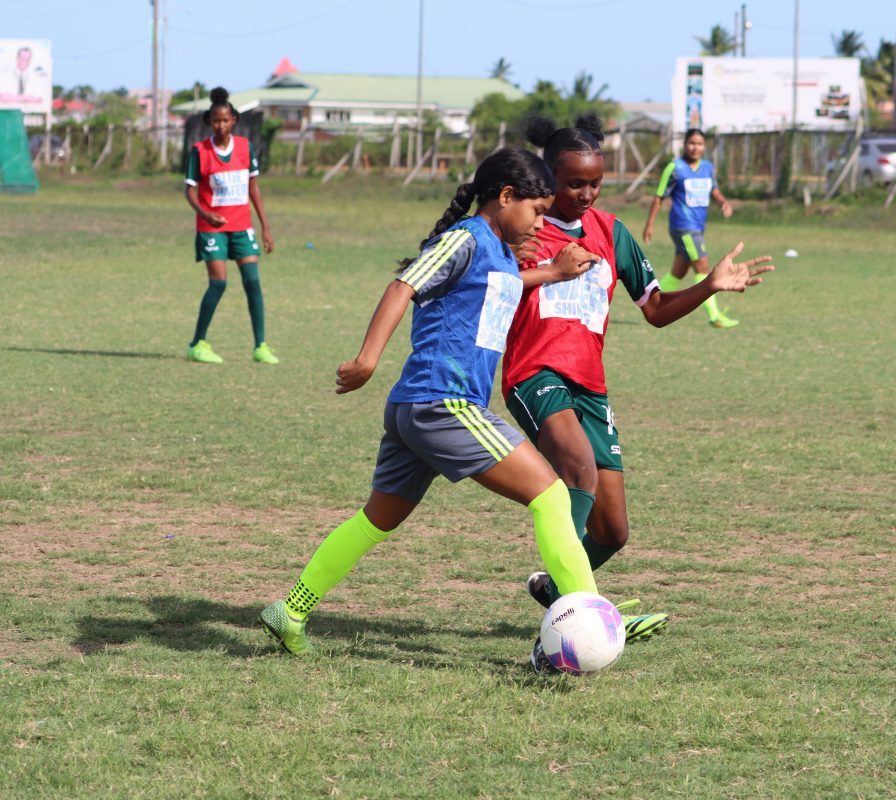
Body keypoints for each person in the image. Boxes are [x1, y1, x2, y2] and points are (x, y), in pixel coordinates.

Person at [258, 148, 600, 673]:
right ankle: (591, 620)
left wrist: (552, 273)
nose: (538, 222)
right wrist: (368, 359)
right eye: (534, 210)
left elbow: (497, 288)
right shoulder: (463, 238)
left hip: (418, 408)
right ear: (505, 197)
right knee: (552, 496)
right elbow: (403, 285)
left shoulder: (500, 251)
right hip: (444, 404)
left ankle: (290, 610)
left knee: (377, 520)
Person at [506, 115, 772, 640]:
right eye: (573, 183)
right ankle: (580, 619)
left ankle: (557, 593)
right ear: (548, 179)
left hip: (590, 384)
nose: (585, 193)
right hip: (534, 374)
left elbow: (654, 308)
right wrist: (544, 269)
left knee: (613, 530)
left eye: (594, 183)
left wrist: (709, 286)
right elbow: (491, 286)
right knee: (578, 470)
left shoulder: (611, 233)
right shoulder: (526, 230)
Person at [184, 87, 279, 364]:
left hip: (241, 226)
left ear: (234, 120)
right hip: (211, 228)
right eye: (216, 121)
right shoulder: (199, 152)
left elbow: (253, 188)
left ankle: (260, 346)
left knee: (253, 281)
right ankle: (197, 343)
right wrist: (206, 213)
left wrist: (266, 227)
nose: (221, 125)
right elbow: (189, 191)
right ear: (209, 122)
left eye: (225, 120)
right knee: (219, 284)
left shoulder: (245, 147)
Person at [642, 128, 738, 329]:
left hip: (697, 227)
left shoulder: (708, 168)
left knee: (679, 272)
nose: (695, 147)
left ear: (704, 147)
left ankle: (652, 305)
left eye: (700, 144)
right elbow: (659, 196)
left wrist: (723, 203)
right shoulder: (675, 167)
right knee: (703, 266)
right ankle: (714, 316)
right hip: (683, 226)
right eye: (691, 143)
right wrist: (649, 225)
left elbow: (715, 191)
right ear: (684, 145)